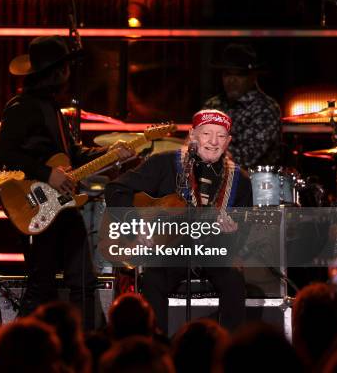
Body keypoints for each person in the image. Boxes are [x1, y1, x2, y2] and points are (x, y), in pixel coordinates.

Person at [0, 35, 134, 329]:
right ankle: (17, 350)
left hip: (63, 204)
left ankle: (83, 348)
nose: (70, 74)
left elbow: (73, 155)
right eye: (66, 68)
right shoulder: (22, 106)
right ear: (58, 72)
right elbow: (4, 154)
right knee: (40, 284)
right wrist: (47, 174)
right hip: (34, 203)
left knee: (83, 280)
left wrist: (111, 153)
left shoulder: (53, 109)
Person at [105, 109, 252, 332]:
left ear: (228, 141)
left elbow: (243, 236)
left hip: (214, 253)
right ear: (193, 135)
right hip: (169, 251)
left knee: (234, 281)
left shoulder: (239, 180)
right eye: (206, 134)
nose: (213, 142)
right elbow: (115, 189)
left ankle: (229, 353)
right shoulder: (163, 164)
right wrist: (136, 228)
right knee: (152, 280)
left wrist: (232, 233)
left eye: (220, 136)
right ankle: (159, 350)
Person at [203, 43, 281, 168]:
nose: (232, 80)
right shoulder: (212, 105)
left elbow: (246, 157)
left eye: (239, 74)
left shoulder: (266, 108)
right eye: (227, 74)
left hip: (254, 184)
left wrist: (207, 152)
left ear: (253, 77)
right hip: (212, 179)